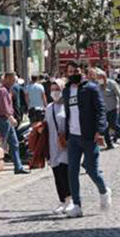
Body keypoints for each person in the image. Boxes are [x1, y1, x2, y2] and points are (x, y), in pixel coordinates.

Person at [62, 61, 112, 218]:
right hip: (73, 137)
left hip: (89, 136)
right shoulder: (66, 90)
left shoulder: (91, 88)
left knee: (91, 169)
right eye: (70, 71)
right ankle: (77, 205)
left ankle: (104, 191)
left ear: (82, 71)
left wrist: (100, 131)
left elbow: (101, 110)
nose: (73, 74)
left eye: (75, 71)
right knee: (72, 171)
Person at [45, 79, 71, 214]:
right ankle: (62, 200)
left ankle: (69, 199)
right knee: (56, 173)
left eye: (57, 89)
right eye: (52, 90)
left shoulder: (68, 106)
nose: (55, 92)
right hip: (52, 145)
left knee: (63, 171)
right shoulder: (49, 108)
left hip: (65, 145)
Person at [0, 72, 30, 174]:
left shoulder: (8, 90)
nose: (13, 82)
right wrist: (11, 118)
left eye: (14, 80)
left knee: (14, 144)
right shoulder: (3, 91)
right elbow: (4, 106)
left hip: (8, 120)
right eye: (11, 79)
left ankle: (18, 167)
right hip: (4, 120)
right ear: (6, 78)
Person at [92, 68, 120, 149]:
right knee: (105, 127)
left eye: (100, 78)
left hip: (113, 108)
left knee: (113, 124)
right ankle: (109, 144)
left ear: (104, 77)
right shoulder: (97, 85)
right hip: (103, 110)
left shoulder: (112, 83)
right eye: (98, 78)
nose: (99, 80)